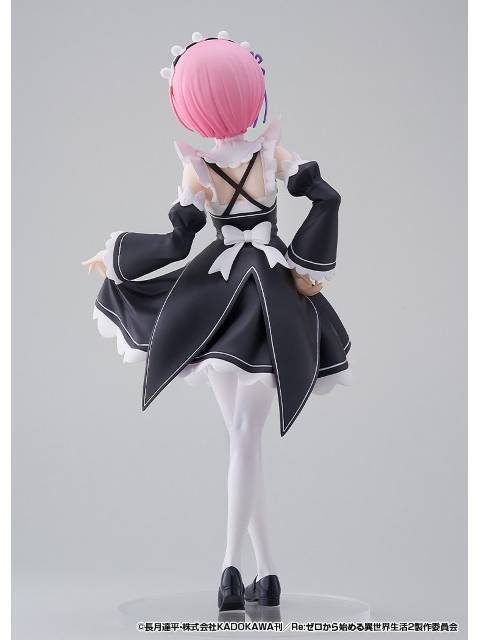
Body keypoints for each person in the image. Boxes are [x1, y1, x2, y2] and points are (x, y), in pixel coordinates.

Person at [83, 31, 351, 612]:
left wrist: (118, 258)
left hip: (218, 300)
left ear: (187, 102)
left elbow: (178, 240)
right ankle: (262, 574)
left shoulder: (198, 167)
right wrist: (306, 263)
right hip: (271, 295)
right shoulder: (272, 153)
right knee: (245, 440)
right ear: (252, 86)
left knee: (241, 439)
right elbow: (325, 196)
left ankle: (233, 569)